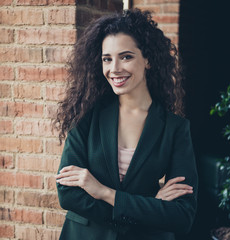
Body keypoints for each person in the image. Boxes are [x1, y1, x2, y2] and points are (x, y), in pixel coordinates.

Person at [54, 8, 198, 240]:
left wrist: (105, 193)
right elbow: (68, 194)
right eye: (107, 59)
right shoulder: (86, 116)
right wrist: (148, 206)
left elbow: (182, 216)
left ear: (148, 59)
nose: (114, 69)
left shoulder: (175, 128)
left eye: (126, 56)